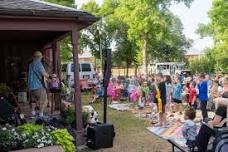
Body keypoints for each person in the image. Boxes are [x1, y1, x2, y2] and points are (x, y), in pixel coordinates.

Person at [196, 78, 228, 152]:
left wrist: (209, 122)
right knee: (206, 121)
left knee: (204, 127)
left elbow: (216, 122)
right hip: (224, 126)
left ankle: (200, 147)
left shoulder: (222, 107)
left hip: (220, 129)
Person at [28, 51, 49, 117]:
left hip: (31, 86)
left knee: (33, 100)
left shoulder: (31, 64)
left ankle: (33, 112)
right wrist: (51, 76)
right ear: (39, 57)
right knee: (43, 100)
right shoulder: (38, 63)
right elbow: (43, 73)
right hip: (38, 85)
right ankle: (41, 114)